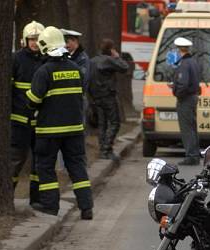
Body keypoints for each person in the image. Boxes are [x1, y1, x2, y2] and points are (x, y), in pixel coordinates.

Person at [26, 26, 93, 220]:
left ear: (45, 46)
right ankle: (86, 208)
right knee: (77, 168)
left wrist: (28, 99)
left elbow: (34, 100)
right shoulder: (75, 69)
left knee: (45, 168)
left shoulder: (43, 71)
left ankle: (50, 207)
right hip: (74, 130)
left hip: (49, 131)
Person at [11, 21, 45, 206]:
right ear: (25, 40)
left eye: (38, 39)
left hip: (41, 121)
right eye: (31, 39)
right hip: (19, 120)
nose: (34, 43)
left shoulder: (46, 60)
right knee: (16, 160)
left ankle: (36, 200)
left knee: (39, 163)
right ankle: (7, 197)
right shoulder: (16, 59)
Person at [89, 39, 129, 160]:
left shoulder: (92, 61)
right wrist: (117, 57)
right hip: (108, 96)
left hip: (96, 97)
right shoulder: (109, 60)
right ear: (111, 49)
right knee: (115, 123)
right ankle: (107, 148)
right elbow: (124, 67)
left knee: (102, 124)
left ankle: (103, 150)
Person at [172, 37, 202, 165]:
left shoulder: (184, 64)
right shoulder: (193, 62)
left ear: (179, 50)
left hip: (185, 99)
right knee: (192, 127)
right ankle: (195, 154)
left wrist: (177, 93)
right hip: (193, 96)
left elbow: (183, 84)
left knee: (186, 128)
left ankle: (190, 156)